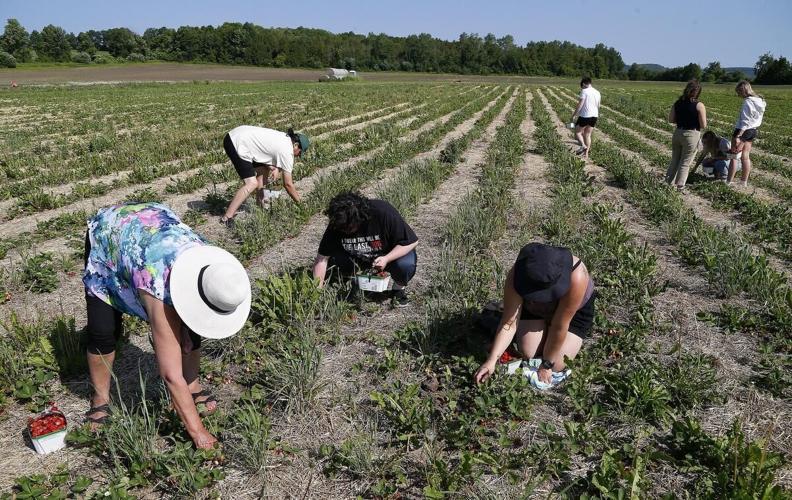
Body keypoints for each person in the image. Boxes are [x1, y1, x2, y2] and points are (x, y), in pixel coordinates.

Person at [82, 202, 251, 449]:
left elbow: (194, 313)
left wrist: (186, 328)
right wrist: (199, 433)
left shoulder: (210, 267)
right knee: (103, 330)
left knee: (193, 322)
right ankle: (100, 399)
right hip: (112, 234)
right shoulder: (158, 287)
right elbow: (170, 375)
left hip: (154, 228)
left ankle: (192, 383)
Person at [474, 243, 595, 390]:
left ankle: (506, 309)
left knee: (558, 363)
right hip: (533, 307)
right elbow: (509, 323)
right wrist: (492, 360)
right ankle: (507, 307)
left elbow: (559, 326)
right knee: (529, 352)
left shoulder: (577, 276)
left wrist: (546, 365)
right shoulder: (518, 274)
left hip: (571, 312)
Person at [312, 192, 418, 307]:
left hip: (389, 254)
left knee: (405, 265)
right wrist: (316, 293)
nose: (345, 231)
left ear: (360, 217)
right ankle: (354, 280)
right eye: (342, 228)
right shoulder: (338, 223)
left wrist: (387, 258)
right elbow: (321, 259)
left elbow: (411, 241)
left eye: (349, 227)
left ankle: (398, 289)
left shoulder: (383, 213)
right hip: (359, 256)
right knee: (337, 258)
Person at [220, 126, 310, 224]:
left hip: (239, 135)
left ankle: (260, 207)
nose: (298, 155)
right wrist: (301, 205)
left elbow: (264, 150)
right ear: (296, 145)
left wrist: (274, 168)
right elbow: (288, 184)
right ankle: (227, 218)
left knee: (263, 171)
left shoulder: (284, 138)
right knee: (252, 183)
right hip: (237, 142)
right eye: (300, 152)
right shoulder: (288, 151)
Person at [666, 80, 707, 191]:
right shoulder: (699, 105)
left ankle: (667, 182)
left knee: (675, 159)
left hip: (678, 133)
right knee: (685, 162)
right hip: (692, 135)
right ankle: (680, 186)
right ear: (698, 92)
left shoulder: (677, 103)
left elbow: (671, 119)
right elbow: (703, 125)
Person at [727, 81, 766, 187]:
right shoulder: (760, 101)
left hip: (742, 130)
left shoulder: (747, 102)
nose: (738, 95)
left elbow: (745, 121)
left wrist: (739, 136)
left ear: (743, 91)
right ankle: (744, 182)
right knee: (745, 157)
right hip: (753, 130)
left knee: (733, 156)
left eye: (738, 92)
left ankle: (728, 182)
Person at [570, 76, 601, 159]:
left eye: (582, 86)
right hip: (595, 115)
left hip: (585, 115)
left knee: (577, 132)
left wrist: (574, 115)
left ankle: (583, 146)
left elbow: (580, 104)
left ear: (583, 84)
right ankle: (586, 154)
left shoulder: (584, 91)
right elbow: (598, 105)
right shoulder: (597, 92)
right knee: (588, 134)